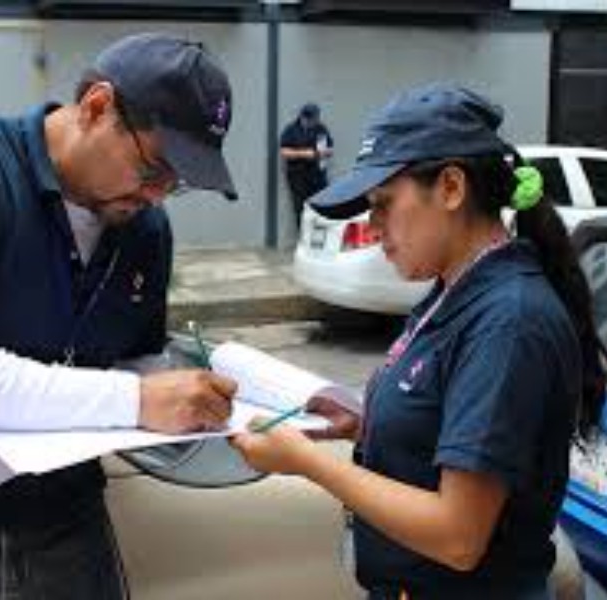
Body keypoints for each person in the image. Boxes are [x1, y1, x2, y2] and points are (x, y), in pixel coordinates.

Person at [0, 32, 239, 600]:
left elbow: (135, 363)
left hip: (66, 532)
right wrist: (137, 398)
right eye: (154, 169)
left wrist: (219, 400)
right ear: (97, 108)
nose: (156, 196)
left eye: (177, 186)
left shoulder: (145, 232)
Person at [234, 83, 607, 599]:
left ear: (451, 188)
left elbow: (459, 535)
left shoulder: (508, 322)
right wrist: (368, 427)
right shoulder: (451, 290)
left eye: (385, 204)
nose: (375, 225)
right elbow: (448, 426)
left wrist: (306, 461)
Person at [279, 102, 334, 222]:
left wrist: (324, 152)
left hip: (317, 174)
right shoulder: (291, 130)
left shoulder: (321, 129)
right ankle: (303, 236)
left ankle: (320, 235)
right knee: (301, 207)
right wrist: (304, 154)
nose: (313, 122)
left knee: (322, 205)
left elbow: (330, 149)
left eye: (315, 118)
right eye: (311, 119)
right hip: (298, 175)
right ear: (303, 117)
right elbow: (284, 151)